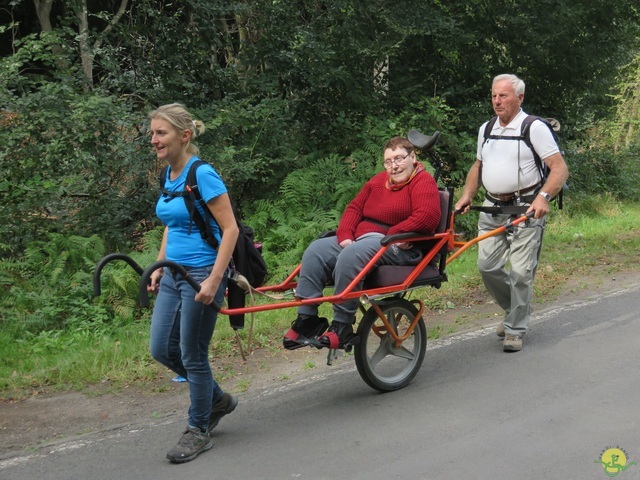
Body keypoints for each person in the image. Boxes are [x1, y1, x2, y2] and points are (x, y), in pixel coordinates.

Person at [283, 136, 442, 350]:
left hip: (399, 245)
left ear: (412, 157)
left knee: (352, 254)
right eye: (388, 161)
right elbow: (354, 208)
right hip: (363, 240)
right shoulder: (378, 182)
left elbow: (427, 217)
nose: (394, 166)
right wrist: (345, 235)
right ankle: (308, 318)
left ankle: (342, 325)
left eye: (399, 159)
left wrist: (394, 233)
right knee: (316, 250)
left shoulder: (422, 181)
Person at [146, 103, 240, 463]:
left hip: (203, 273)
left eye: (161, 133)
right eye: (153, 133)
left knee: (192, 355)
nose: (154, 140)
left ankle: (198, 428)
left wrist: (216, 281)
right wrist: (158, 264)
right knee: (161, 349)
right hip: (173, 272)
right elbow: (172, 223)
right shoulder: (168, 175)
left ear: (184, 136)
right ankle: (216, 399)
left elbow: (229, 229)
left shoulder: (203, 174)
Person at [454, 74, 569, 352]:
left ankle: (515, 329)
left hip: (527, 208)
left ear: (520, 98)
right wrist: (467, 194)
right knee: (487, 266)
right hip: (492, 206)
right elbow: (478, 166)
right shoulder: (487, 128)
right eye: (494, 95)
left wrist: (543, 197)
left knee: (520, 272)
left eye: (503, 96)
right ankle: (514, 310)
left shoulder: (534, 127)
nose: (497, 101)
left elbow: (559, 168)